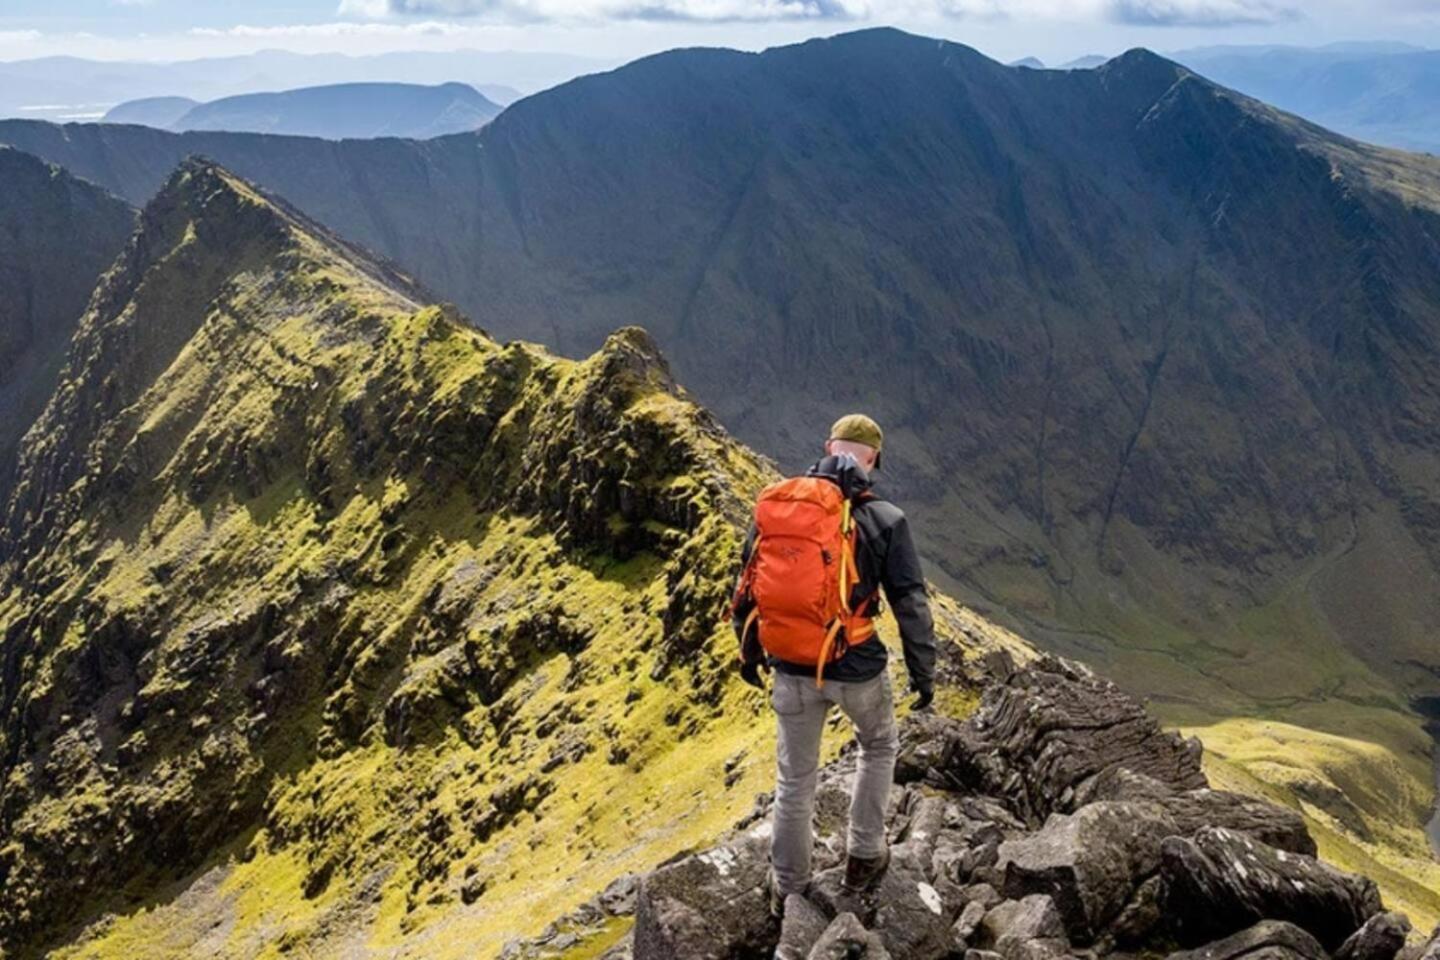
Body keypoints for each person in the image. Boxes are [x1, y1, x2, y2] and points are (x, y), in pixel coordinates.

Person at [730, 413, 937, 917]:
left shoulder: (774, 510)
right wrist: (922, 673)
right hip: (858, 667)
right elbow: (910, 602)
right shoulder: (886, 519)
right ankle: (865, 855)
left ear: (827, 447)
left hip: (791, 666)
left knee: (795, 780)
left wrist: (750, 651)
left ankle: (788, 889)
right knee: (879, 745)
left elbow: (745, 587)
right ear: (874, 460)